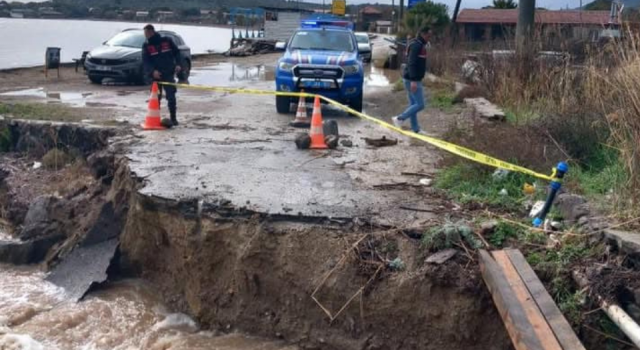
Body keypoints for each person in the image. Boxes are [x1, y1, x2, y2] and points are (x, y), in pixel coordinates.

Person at [392, 26, 432, 135]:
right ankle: (400, 119)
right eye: (428, 35)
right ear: (423, 34)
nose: (429, 38)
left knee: (413, 104)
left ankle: (416, 129)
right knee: (420, 104)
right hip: (412, 79)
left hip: (410, 78)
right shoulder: (416, 45)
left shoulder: (418, 43)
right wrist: (414, 80)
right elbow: (412, 63)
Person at [142, 24, 183, 126]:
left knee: (171, 96)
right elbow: (146, 61)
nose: (146, 35)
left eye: (147, 33)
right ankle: (155, 118)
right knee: (156, 98)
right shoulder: (146, 45)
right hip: (156, 76)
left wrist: (178, 64)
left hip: (168, 73)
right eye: (145, 33)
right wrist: (152, 72)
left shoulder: (166, 41)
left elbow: (177, 53)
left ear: (152, 32)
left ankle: (173, 118)